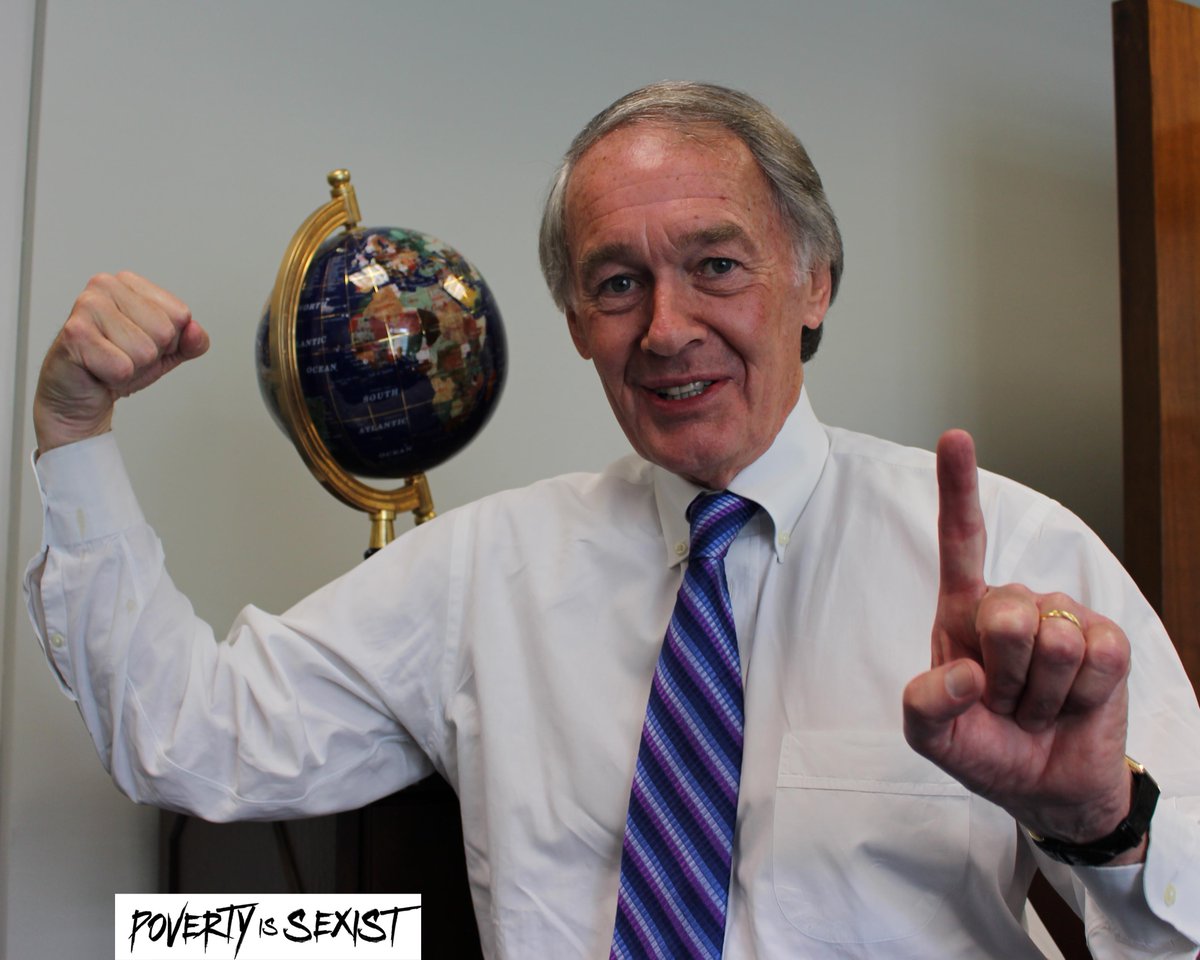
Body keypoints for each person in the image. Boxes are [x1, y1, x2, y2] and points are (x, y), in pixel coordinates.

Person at [24, 81, 1200, 958]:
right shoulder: (483, 573)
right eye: (618, 283)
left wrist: (1105, 822)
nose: (667, 329)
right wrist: (74, 434)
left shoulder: (1022, 566)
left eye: (717, 265)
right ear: (578, 324)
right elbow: (185, 735)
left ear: (815, 281)